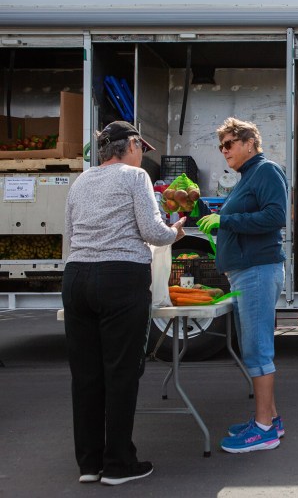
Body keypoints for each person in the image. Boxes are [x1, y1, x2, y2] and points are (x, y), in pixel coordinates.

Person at [63, 121, 186, 485]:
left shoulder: (80, 181)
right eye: (141, 149)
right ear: (130, 145)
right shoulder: (135, 179)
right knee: (120, 371)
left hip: (77, 277)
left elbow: (69, 237)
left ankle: (89, 464)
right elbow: (151, 231)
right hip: (120, 277)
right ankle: (118, 464)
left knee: (86, 374)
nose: (142, 156)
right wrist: (175, 231)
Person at [196, 117, 288, 453]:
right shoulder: (248, 177)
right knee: (254, 348)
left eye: (229, 144)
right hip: (246, 272)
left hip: (257, 271)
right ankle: (271, 420)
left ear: (250, 142)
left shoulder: (266, 171)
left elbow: (276, 216)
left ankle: (263, 429)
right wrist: (206, 211)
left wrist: (226, 220)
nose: (224, 151)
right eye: (221, 146)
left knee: (257, 349)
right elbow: (241, 217)